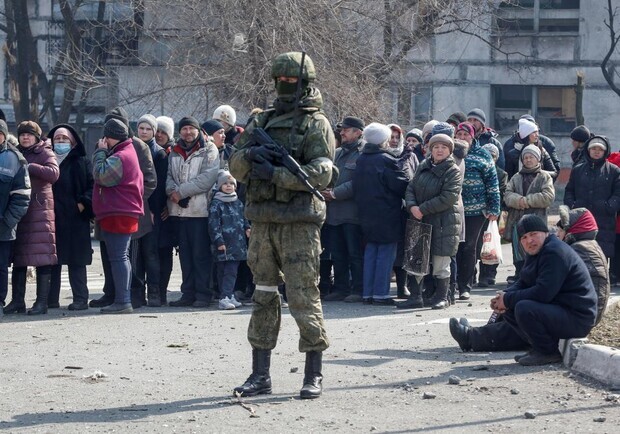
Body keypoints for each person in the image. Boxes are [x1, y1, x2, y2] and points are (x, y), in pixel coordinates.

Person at [230, 52, 335, 400]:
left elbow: (322, 171)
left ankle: (313, 374)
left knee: (304, 296)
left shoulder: (316, 123)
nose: (287, 86)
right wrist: (250, 158)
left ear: (306, 83)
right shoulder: (262, 121)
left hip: (299, 223)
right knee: (262, 295)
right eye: (282, 81)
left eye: (294, 81)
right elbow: (236, 165)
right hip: (262, 222)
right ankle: (260, 375)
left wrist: (277, 174)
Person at [449, 213, 603, 365]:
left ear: (545, 233)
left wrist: (509, 299)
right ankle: (537, 348)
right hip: (559, 310)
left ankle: (547, 352)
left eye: (533, 234)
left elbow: (544, 293)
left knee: (523, 307)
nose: (529, 240)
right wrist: (503, 297)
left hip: (577, 318)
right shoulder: (538, 252)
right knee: (511, 305)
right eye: (524, 237)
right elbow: (523, 281)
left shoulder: (555, 252)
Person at [397, 133, 461, 309]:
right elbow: (410, 187)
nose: (439, 150)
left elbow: (448, 197)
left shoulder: (452, 170)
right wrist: (412, 207)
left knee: (441, 261)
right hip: (419, 219)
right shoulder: (423, 166)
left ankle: (442, 297)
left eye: (444, 147)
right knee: (416, 259)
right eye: (436, 147)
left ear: (449, 150)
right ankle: (415, 297)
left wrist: (421, 209)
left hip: (443, 223)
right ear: (430, 149)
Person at [5, 121, 59, 316]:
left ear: (37, 137)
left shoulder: (45, 152)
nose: (25, 137)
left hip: (40, 212)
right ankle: (17, 300)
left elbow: (54, 174)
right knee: (19, 258)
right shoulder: (14, 153)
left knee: (42, 257)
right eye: (22, 134)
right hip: (20, 211)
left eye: (29, 134)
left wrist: (31, 166)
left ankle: (41, 302)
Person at [166, 116, 219, 307]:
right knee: (185, 256)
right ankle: (187, 293)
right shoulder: (174, 150)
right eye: (184, 129)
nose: (188, 132)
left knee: (201, 255)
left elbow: (207, 178)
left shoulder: (209, 149)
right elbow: (169, 176)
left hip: (200, 212)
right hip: (179, 212)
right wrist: (172, 192)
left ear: (198, 130)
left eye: (191, 128)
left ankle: (204, 294)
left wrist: (181, 192)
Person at [92, 119, 144, 314]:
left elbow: (101, 175)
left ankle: (123, 300)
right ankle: (123, 299)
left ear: (109, 137)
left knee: (119, 257)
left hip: (119, 211)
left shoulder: (121, 155)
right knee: (121, 257)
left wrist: (99, 152)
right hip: (123, 211)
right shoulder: (128, 152)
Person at [353, 122, 409, 305]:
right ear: (383, 140)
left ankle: (368, 292)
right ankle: (381, 293)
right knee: (386, 252)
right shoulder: (386, 159)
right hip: (386, 212)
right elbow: (400, 184)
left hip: (366, 212)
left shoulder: (361, 159)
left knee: (371, 251)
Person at [47, 124, 94, 311]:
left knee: (76, 261)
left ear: (73, 141)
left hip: (76, 218)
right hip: (51, 218)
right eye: (57, 138)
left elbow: (93, 186)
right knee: (52, 261)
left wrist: (82, 204)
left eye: (64, 139)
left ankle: (80, 299)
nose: (60, 142)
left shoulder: (82, 161)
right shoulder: (47, 160)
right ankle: (50, 299)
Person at [321, 116, 365, 302]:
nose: (342, 133)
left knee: (355, 254)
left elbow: (358, 183)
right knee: (337, 254)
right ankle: (341, 288)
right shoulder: (337, 153)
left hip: (352, 214)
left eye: (346, 130)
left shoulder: (363, 154)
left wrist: (335, 193)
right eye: (342, 130)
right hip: (334, 213)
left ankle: (358, 288)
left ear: (358, 132)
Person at [454, 121, 500, 300]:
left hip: (476, 211)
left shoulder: (483, 155)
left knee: (469, 246)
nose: (463, 138)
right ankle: (453, 283)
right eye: (460, 134)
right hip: (454, 209)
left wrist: (494, 207)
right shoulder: (451, 153)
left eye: (466, 135)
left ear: (473, 137)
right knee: (454, 247)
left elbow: (492, 183)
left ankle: (466, 285)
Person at [503, 144, 555, 281]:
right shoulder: (516, 177)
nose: (528, 160)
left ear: (538, 159)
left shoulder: (544, 177)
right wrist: (518, 200)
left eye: (531, 157)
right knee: (518, 247)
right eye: (525, 157)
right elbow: (507, 194)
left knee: (536, 246)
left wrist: (527, 201)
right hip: (517, 219)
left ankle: (535, 274)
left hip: (537, 220)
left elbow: (548, 196)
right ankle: (519, 274)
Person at [564, 135, 620, 260]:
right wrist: (573, 205)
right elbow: (569, 191)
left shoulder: (613, 171)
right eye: (593, 148)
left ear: (605, 152)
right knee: (580, 255)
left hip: (604, 221)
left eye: (600, 149)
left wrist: (609, 206)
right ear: (588, 150)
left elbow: (618, 193)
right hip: (580, 219)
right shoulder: (578, 170)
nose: (596, 151)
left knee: (600, 257)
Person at [132, 114, 168, 307]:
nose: (144, 132)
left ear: (154, 131)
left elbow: (159, 185)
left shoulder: (159, 153)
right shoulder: (132, 149)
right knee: (135, 255)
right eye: (141, 128)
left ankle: (154, 292)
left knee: (151, 254)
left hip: (152, 211)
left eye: (148, 129)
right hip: (135, 209)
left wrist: (154, 209)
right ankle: (137, 294)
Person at [0, 120, 30, 315]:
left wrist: (6, 222)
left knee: (0, 268)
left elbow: (22, 197)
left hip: (2, 227)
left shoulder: (14, 159)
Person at [208, 170, 250, 310]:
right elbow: (214, 224)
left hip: (237, 244)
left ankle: (228, 294)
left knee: (232, 271)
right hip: (223, 244)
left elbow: (243, 218)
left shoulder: (237, 202)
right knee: (224, 271)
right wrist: (218, 241)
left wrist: (247, 228)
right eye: (225, 183)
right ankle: (224, 296)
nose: (228, 186)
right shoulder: (216, 204)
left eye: (231, 183)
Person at [388, 123, 419, 299]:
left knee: (404, 247)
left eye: (396, 137)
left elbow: (414, 179)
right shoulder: (381, 155)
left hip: (406, 208)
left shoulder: (410, 156)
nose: (393, 141)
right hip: (387, 208)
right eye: (390, 137)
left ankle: (402, 285)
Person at [477, 143, 508, 287]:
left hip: (494, 213)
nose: (490, 157)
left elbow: (501, 192)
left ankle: (488, 274)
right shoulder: (478, 169)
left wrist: (493, 208)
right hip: (478, 212)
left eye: (493, 155)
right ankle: (472, 275)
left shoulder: (501, 173)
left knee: (492, 244)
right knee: (477, 245)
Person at [503, 115, 561, 180]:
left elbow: (554, 172)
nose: (537, 135)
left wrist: (538, 174)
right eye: (533, 132)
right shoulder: (512, 150)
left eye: (537, 131)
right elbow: (508, 176)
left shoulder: (543, 148)